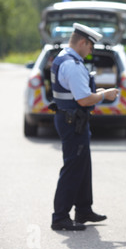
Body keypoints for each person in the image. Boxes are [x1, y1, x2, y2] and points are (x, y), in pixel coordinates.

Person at [50, 23, 119, 231]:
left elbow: (76, 92)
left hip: (72, 120)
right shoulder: (72, 64)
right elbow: (84, 100)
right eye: (90, 47)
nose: (91, 52)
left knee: (82, 166)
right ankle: (60, 217)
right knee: (73, 169)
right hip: (73, 121)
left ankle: (83, 209)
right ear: (82, 42)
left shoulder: (65, 58)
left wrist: (96, 92)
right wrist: (105, 95)